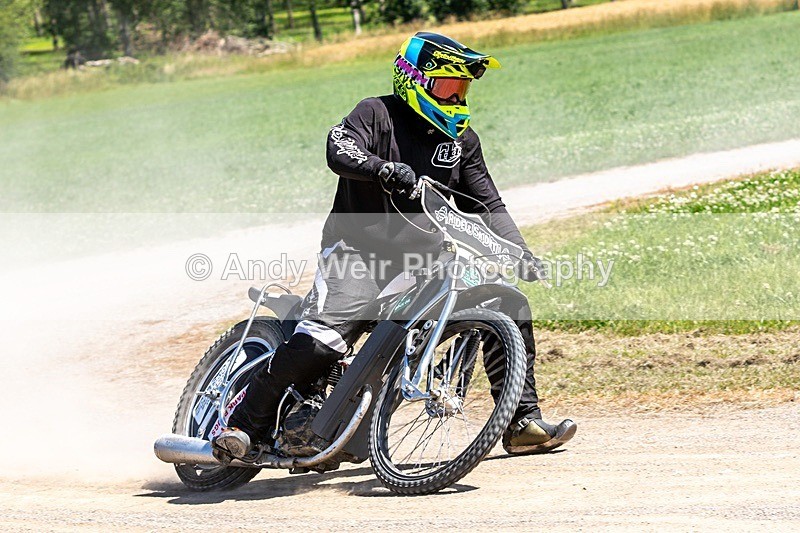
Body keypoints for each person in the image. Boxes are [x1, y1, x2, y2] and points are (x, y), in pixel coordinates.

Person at [214, 32, 576, 461]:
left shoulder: (462, 142)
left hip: (424, 260)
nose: (457, 98)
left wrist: (520, 251)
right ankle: (241, 423)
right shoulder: (375, 113)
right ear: (414, 79)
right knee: (324, 340)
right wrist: (381, 169)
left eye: (462, 89)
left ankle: (520, 423)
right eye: (447, 86)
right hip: (355, 254)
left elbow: (487, 202)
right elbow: (338, 149)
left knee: (507, 304)